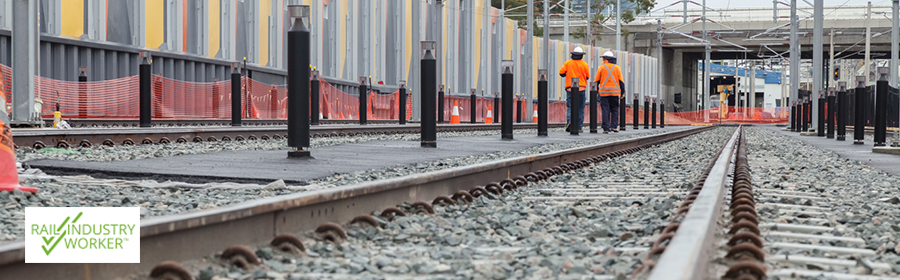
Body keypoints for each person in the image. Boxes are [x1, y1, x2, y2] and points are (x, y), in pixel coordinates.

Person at [558, 46, 590, 133]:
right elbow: (587, 76)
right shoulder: (585, 64)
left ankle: (569, 122)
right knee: (580, 108)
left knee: (570, 106)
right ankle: (579, 127)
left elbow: (561, 73)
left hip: (570, 88)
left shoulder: (568, 63)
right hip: (581, 88)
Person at [594, 51, 624, 133]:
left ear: (605, 59)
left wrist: (596, 91)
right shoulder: (617, 68)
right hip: (615, 92)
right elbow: (621, 81)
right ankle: (614, 126)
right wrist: (622, 92)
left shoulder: (601, 67)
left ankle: (606, 128)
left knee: (605, 109)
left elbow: (596, 81)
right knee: (614, 109)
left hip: (604, 92)